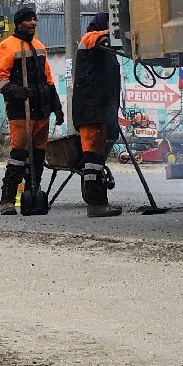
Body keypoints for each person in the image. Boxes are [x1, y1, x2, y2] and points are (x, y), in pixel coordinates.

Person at [0, 6, 63, 214]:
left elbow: (48, 81)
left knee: (38, 157)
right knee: (18, 155)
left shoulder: (39, 46)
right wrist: (14, 91)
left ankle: (33, 192)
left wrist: (56, 108)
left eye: (34, 19)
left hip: (41, 111)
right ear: (18, 23)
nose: (32, 23)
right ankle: (7, 199)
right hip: (21, 111)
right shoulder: (6, 47)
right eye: (28, 20)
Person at [71, 12, 122, 217]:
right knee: (92, 160)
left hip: (100, 110)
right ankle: (96, 205)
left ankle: (98, 202)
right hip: (91, 111)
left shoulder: (107, 52)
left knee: (96, 159)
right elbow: (102, 37)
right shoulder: (90, 38)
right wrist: (121, 31)